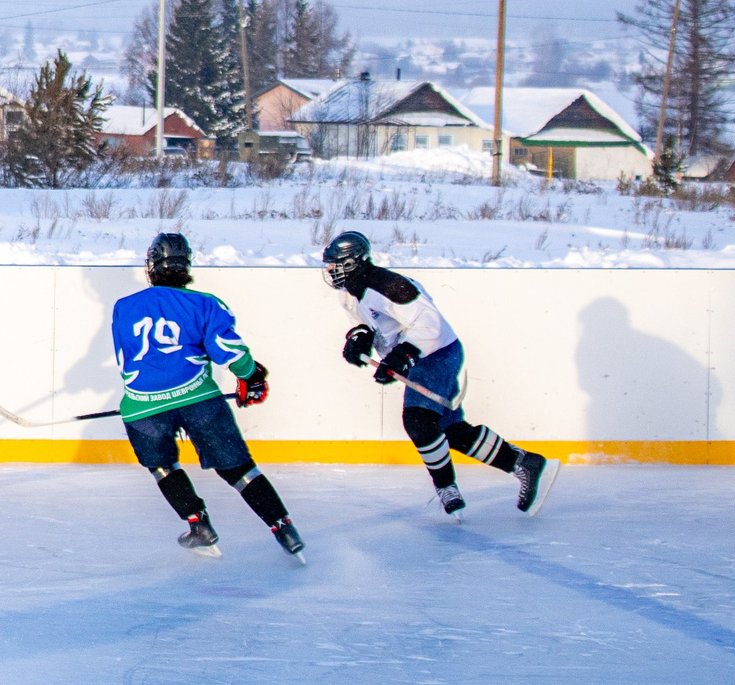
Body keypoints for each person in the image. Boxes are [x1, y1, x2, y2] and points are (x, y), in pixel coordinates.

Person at [322, 230, 556, 518]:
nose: (330, 271)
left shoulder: (389, 285)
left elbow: (429, 322)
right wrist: (358, 337)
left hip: (437, 353)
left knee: (418, 422)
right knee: (450, 431)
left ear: (353, 262)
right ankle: (523, 463)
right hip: (423, 357)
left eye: (334, 264)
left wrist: (403, 355)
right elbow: (367, 323)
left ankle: (446, 488)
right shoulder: (350, 294)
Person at [113, 233, 305, 559]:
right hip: (199, 400)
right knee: (238, 469)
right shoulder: (205, 303)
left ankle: (198, 524)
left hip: (142, 406)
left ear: (150, 267)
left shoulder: (124, 306)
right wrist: (251, 377)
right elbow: (229, 352)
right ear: (186, 266)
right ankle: (282, 527)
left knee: (162, 466)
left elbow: (127, 360)